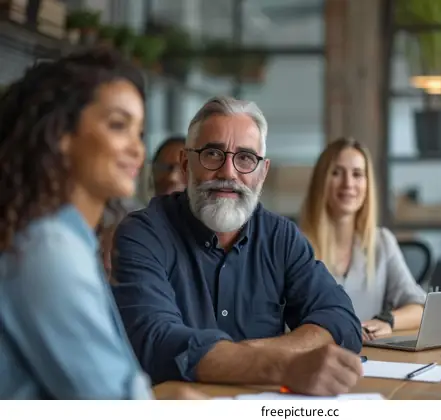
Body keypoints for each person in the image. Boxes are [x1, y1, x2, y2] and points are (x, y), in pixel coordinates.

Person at [111, 96, 363, 397]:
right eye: (213, 153)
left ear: (262, 172)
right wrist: (282, 365)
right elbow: (156, 340)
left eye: (245, 158)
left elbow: (339, 319)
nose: (228, 173)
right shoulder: (142, 234)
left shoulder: (280, 237)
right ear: (185, 163)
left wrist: (248, 353)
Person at [0, 48, 206, 400]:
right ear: (61, 133)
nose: (137, 149)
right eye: (118, 125)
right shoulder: (49, 248)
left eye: (139, 132)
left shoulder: (64, 239)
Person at [299, 138, 426, 341]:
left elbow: (419, 308)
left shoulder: (382, 242)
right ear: (320, 181)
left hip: (372, 360)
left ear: (367, 184)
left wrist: (387, 320)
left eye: (357, 174)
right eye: (336, 173)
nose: (348, 183)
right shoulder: (295, 245)